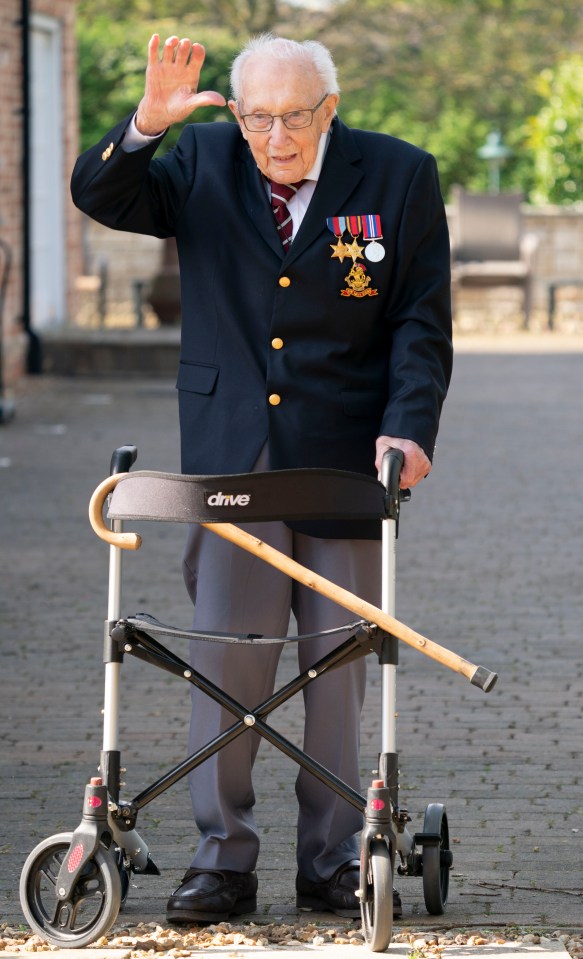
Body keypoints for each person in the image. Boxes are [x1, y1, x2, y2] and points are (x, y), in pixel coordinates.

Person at [71, 33, 453, 924]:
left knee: (338, 660)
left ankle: (329, 860)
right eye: (255, 117)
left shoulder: (398, 174)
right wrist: (144, 126)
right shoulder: (201, 157)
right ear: (234, 115)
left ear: (329, 106)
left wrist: (409, 426)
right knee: (227, 665)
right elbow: (103, 194)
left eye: (292, 116)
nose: (274, 137)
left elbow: (420, 318)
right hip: (230, 456)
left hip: (344, 455)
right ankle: (222, 858)